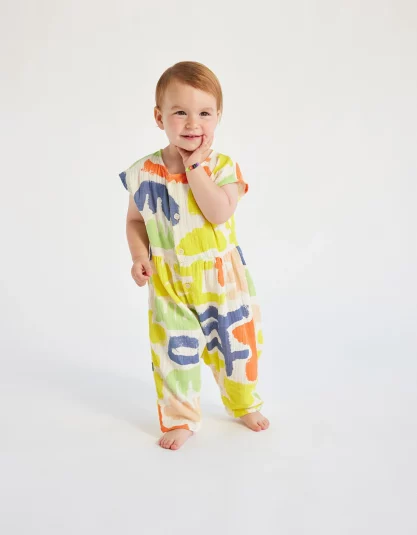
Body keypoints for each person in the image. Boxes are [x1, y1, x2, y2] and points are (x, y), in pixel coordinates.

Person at [118, 61, 269, 450]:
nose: (192, 124)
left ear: (218, 117)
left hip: (221, 281)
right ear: (159, 118)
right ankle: (181, 418)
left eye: (204, 113)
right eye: (180, 112)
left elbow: (218, 212)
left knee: (236, 351)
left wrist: (194, 167)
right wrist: (139, 255)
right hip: (169, 283)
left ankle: (243, 402)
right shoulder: (143, 172)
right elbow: (135, 220)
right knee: (173, 355)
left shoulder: (222, 168)